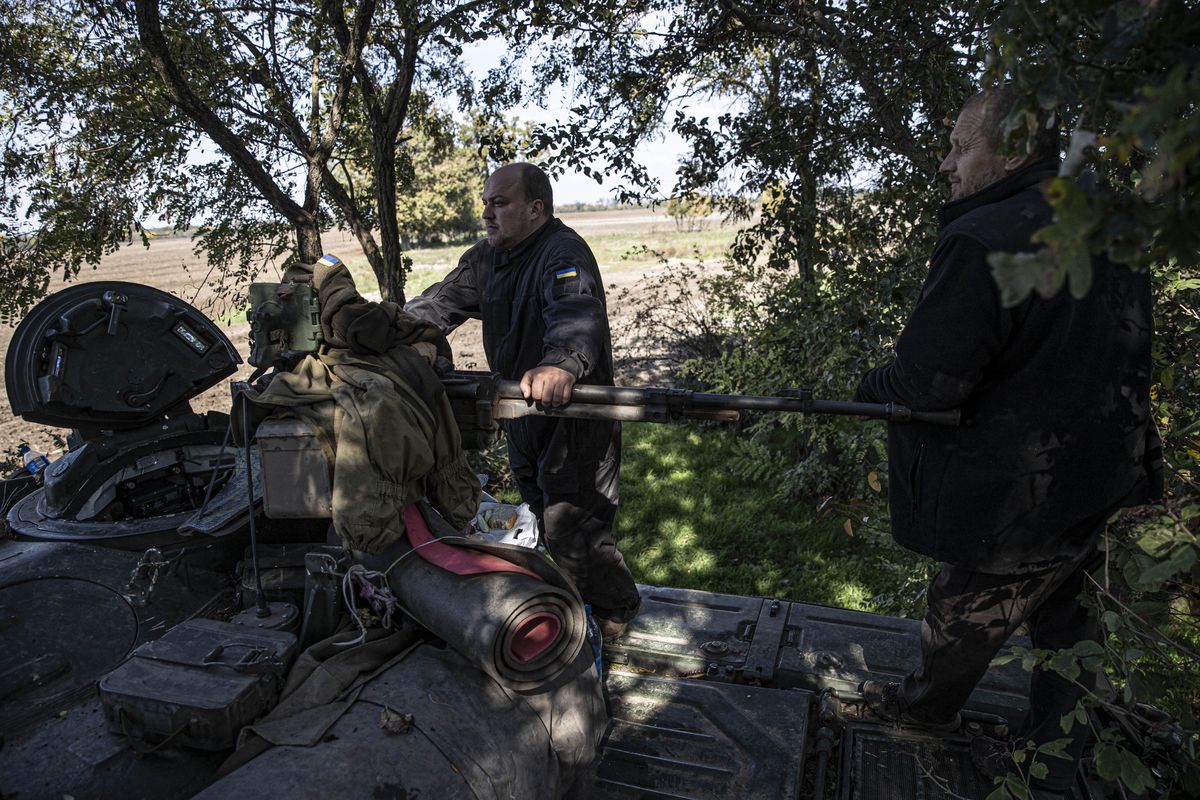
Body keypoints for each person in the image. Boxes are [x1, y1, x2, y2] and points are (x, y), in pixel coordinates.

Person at [853, 85, 1158, 796]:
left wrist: (869, 389)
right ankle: (1064, 753)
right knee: (1069, 620)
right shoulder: (1108, 226)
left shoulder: (982, 237)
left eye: (961, 147)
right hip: (1095, 472)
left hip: (1013, 497)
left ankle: (924, 716)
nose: (946, 163)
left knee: (964, 616)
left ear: (1014, 150)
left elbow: (927, 383)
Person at [405, 162, 642, 636]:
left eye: (500, 202)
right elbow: (439, 304)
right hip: (521, 414)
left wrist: (562, 364)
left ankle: (616, 613)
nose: (487, 213)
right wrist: (393, 329)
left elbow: (575, 311)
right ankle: (576, 601)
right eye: (486, 202)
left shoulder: (562, 252)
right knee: (537, 508)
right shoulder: (486, 259)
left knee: (572, 526)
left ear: (536, 208)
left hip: (574, 417)